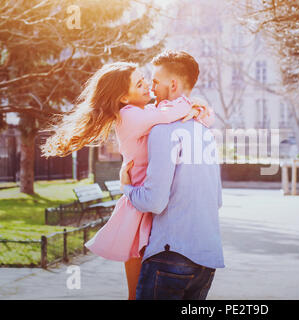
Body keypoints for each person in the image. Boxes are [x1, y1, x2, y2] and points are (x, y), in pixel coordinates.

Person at [41, 60, 214, 300]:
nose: (149, 88)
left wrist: (199, 109)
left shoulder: (142, 114)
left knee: (141, 285)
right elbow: (170, 112)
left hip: (146, 200)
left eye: (147, 81)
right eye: (141, 84)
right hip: (138, 207)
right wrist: (195, 107)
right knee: (136, 292)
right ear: (123, 97)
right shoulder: (130, 115)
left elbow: (178, 114)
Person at [120, 50, 224, 300]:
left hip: (170, 256)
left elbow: (155, 201)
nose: (152, 88)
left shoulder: (163, 130)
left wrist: (127, 188)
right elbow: (217, 199)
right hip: (206, 259)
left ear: (173, 84)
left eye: (155, 81)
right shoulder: (205, 130)